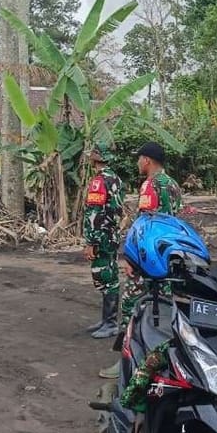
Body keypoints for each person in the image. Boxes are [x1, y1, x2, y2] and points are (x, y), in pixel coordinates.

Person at [97, 141, 183, 381]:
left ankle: (126, 363)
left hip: (148, 260)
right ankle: (158, 362)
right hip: (168, 258)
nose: (137, 163)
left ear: (147, 160)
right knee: (162, 310)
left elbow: (145, 224)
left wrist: (132, 258)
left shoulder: (151, 185)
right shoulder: (173, 185)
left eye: (139, 159)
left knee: (131, 308)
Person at [83, 143, 126, 340]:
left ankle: (109, 323)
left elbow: (95, 212)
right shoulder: (115, 178)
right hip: (112, 234)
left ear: (95, 158)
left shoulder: (99, 182)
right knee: (110, 274)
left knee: (105, 277)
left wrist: (91, 241)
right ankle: (106, 320)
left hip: (101, 236)